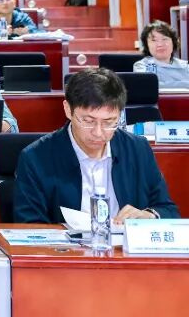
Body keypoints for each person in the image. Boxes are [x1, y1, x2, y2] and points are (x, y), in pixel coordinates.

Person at [13, 67, 178, 224]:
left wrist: (149, 216)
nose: (98, 133)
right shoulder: (36, 157)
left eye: (109, 122)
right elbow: (29, 225)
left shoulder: (137, 149)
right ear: (68, 110)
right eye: (88, 121)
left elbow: (168, 210)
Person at [134, 21, 189, 88]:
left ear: (173, 42)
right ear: (147, 45)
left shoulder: (186, 66)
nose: (160, 44)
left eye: (164, 39)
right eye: (154, 40)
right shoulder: (143, 66)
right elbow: (150, 85)